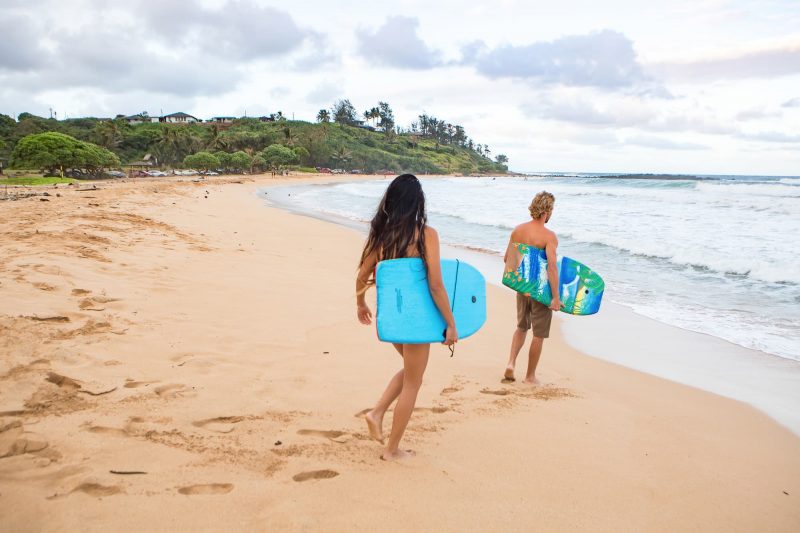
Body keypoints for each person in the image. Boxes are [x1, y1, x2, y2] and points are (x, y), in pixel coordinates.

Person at [356, 174, 458, 461]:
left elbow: (363, 276)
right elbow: (436, 285)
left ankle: (376, 414)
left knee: (411, 371)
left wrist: (360, 303)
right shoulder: (426, 235)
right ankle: (391, 450)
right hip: (416, 319)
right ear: (417, 203)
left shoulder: (382, 237)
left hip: (391, 319)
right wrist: (450, 322)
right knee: (414, 381)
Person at [502, 191, 562, 385]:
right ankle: (529, 376)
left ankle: (511, 363)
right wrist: (555, 297)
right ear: (546, 212)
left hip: (522, 287)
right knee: (539, 333)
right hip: (540, 291)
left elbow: (508, 260)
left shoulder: (518, 230)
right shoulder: (549, 236)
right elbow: (552, 267)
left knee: (521, 326)